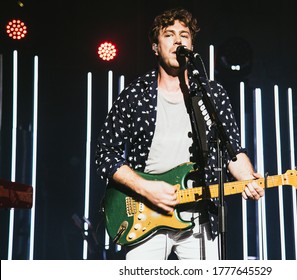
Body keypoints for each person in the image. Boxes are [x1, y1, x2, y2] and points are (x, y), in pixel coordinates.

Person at [95, 7, 264, 260]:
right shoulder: (135, 95)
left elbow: (232, 150)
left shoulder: (212, 95)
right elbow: (105, 154)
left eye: (184, 35)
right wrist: (145, 188)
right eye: (169, 35)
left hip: (200, 216)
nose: (177, 41)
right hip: (146, 214)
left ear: (192, 45)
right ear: (155, 47)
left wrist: (248, 178)